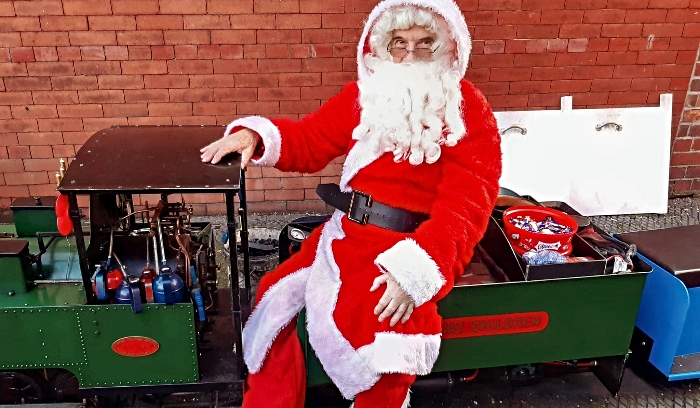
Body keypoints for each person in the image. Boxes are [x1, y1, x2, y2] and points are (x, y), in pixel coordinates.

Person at [200, 0, 502, 406]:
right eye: (399, 43)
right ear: (381, 46)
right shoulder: (366, 95)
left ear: (448, 46)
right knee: (274, 302)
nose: (410, 55)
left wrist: (415, 271)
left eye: (425, 43)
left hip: (404, 249)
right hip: (345, 235)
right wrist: (255, 137)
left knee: (386, 347)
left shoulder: (468, 110)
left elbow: (467, 205)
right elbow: (311, 140)